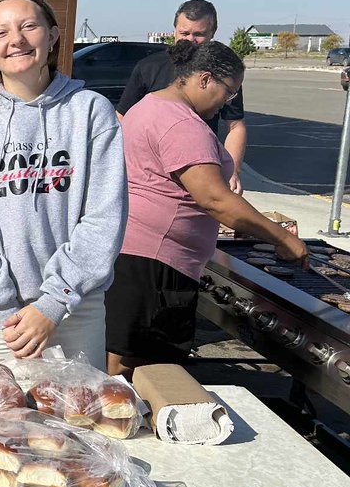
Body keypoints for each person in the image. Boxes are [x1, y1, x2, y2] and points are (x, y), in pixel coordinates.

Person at [0, 0, 127, 373]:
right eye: (1, 32)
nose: (16, 39)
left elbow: (105, 217)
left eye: (28, 26)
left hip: (74, 309)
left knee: (76, 424)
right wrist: (7, 310)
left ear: (53, 36)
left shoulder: (91, 112)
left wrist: (52, 304)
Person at [106, 39, 308, 377]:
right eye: (228, 92)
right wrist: (282, 239)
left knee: (122, 361)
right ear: (204, 78)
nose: (227, 103)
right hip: (157, 265)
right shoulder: (182, 124)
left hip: (135, 255)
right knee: (149, 372)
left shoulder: (148, 106)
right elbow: (214, 199)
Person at [116, 0, 247, 194]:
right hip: (151, 177)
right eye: (184, 33)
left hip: (199, 169)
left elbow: (235, 126)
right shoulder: (149, 67)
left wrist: (232, 171)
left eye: (199, 34)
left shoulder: (223, 74)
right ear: (174, 29)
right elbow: (122, 117)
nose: (190, 40)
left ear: (213, 33)